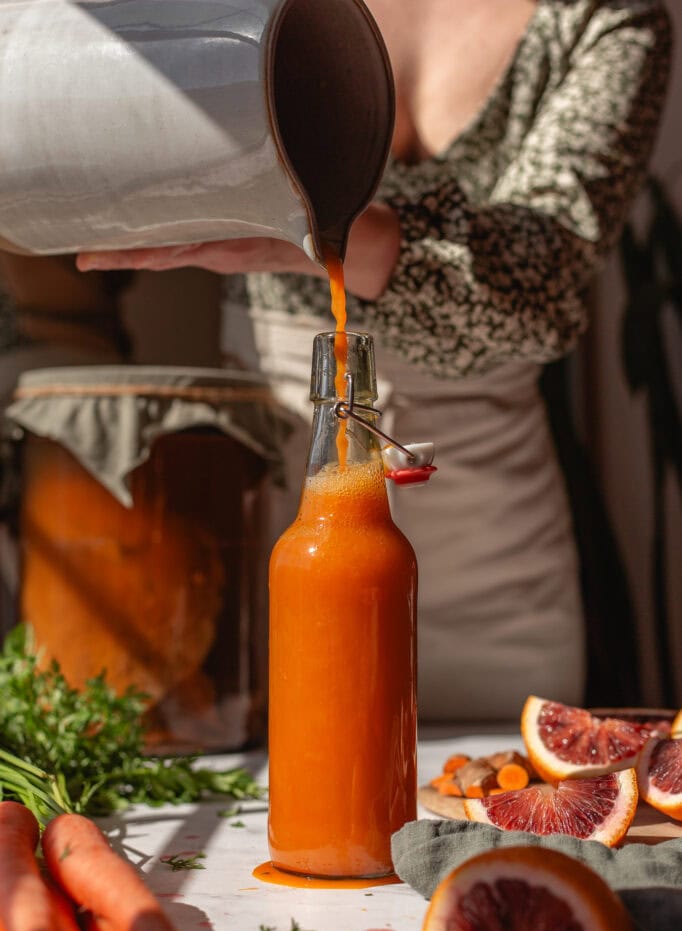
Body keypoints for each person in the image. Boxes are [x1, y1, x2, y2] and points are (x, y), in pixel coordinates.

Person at [71, 0, 672, 719]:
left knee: (494, 809)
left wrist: (326, 232)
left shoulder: (603, 16)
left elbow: (547, 284)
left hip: (498, 575)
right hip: (281, 553)